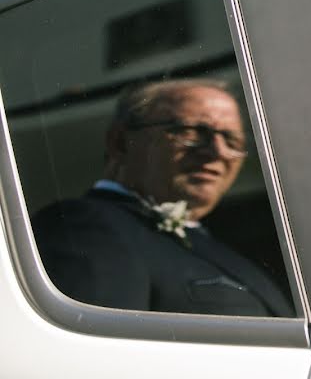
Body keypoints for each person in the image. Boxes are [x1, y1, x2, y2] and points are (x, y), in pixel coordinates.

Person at [32, 79, 294, 317]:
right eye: (192, 132)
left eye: (232, 140)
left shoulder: (210, 242)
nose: (218, 152)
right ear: (121, 143)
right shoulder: (86, 226)